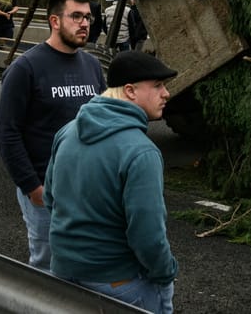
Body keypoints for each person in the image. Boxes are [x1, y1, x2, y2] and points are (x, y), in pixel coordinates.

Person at [44, 50, 179, 314]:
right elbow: (148, 236)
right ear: (130, 91)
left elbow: (51, 199)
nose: (166, 93)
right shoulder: (141, 152)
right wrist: (167, 272)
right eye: (158, 86)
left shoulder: (67, 132)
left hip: (63, 273)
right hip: (118, 282)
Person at [0, 0, 106, 270]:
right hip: (46, 190)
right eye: (76, 16)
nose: (84, 24)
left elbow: (104, 123)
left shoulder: (92, 66)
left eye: (88, 18)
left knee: (84, 261)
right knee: (47, 266)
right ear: (54, 21)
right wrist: (33, 188)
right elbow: (6, 134)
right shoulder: (26, 68)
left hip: (86, 189)